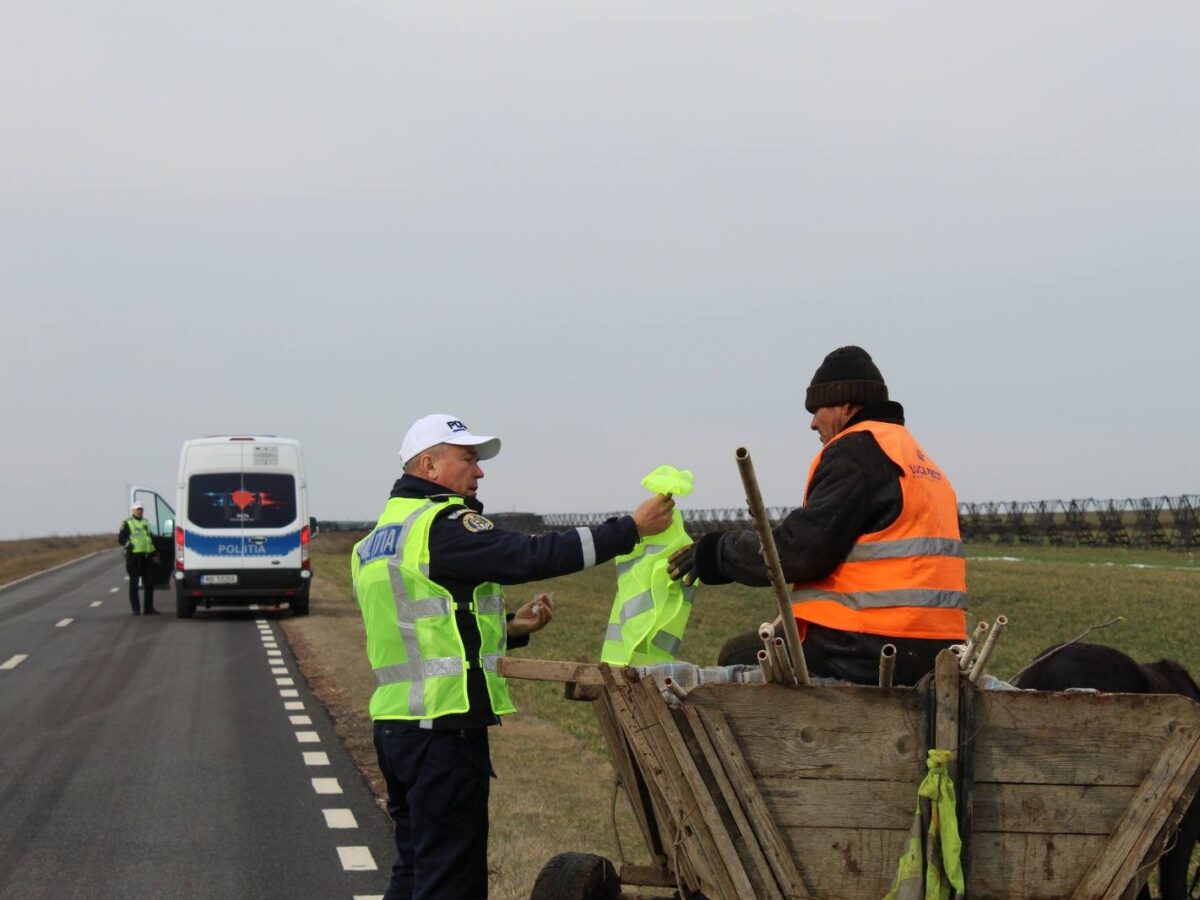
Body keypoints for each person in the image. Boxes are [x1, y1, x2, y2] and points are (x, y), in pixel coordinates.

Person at [351, 413, 674, 900]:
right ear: (429, 465)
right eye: (468, 459)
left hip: (397, 730)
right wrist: (630, 529)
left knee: (414, 871)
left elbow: (423, 630)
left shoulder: (373, 542)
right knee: (450, 884)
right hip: (444, 732)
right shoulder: (442, 524)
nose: (479, 473)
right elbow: (534, 555)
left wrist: (510, 629)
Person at [669, 346, 967, 686]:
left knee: (741, 655)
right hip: (940, 648)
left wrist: (716, 553)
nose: (812, 423)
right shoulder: (919, 461)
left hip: (868, 645)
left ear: (847, 406)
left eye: (817, 409)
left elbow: (799, 553)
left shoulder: (856, 451)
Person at [118, 502, 160, 615]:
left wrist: (155, 551)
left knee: (150, 584)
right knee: (134, 584)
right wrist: (128, 544)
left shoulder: (146, 523)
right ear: (133, 511)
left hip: (146, 557)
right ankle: (136, 609)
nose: (140, 511)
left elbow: (149, 538)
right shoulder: (127, 523)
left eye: (141, 509)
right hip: (134, 558)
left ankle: (149, 608)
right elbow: (121, 539)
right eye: (137, 509)